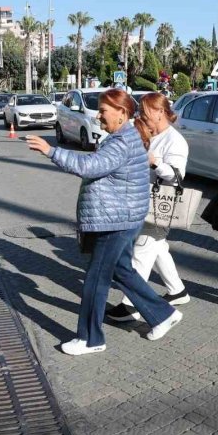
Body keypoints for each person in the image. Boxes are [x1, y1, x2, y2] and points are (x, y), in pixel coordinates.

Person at [26, 89, 182, 356]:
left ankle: (90, 338)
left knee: (96, 279)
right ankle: (162, 314)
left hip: (116, 221)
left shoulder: (121, 141)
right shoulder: (125, 136)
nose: (99, 115)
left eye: (104, 111)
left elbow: (90, 166)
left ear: (122, 113)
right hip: (122, 217)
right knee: (122, 272)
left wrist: (51, 151)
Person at [106, 93, 191, 322]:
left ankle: (131, 305)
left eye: (145, 111)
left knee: (141, 254)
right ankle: (177, 291)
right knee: (159, 249)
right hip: (144, 203)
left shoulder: (175, 141)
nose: (141, 116)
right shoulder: (153, 134)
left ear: (160, 112)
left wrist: (155, 162)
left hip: (160, 207)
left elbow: (176, 176)